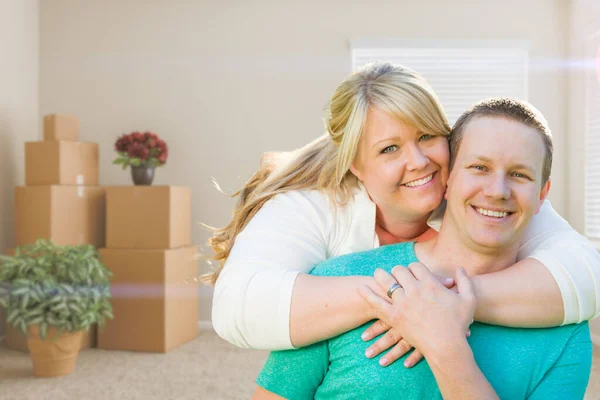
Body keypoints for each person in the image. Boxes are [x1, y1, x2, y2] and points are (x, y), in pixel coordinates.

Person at [203, 62, 600, 368]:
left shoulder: (479, 194)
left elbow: (587, 274)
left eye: (427, 136)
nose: (419, 162)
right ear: (355, 165)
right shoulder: (313, 206)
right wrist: (398, 297)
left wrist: (442, 301)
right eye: (389, 149)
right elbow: (237, 306)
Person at [253, 98, 593, 399]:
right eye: (479, 168)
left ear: (542, 195)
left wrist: (446, 348)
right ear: (447, 179)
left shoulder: (567, 336)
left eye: (519, 175)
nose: (497, 190)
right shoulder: (336, 281)